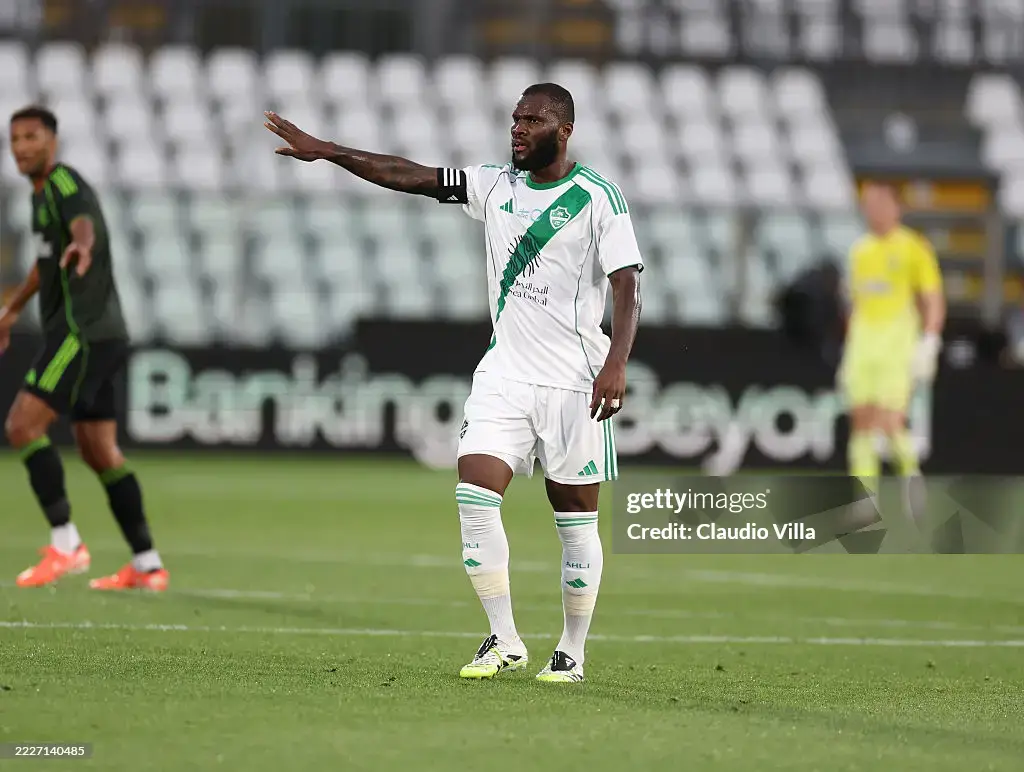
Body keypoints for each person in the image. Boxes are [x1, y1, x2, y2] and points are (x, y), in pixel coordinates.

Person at [265, 83, 643, 683]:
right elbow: (407, 174)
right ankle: (504, 637)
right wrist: (328, 150)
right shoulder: (495, 184)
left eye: (532, 119)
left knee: (575, 523)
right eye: (514, 118)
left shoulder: (599, 198)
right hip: (505, 374)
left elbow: (626, 284)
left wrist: (615, 362)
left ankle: (571, 650)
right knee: (474, 494)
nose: (517, 128)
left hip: (574, 380)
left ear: (563, 129)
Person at [0, 106, 168, 591]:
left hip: (81, 332)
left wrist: (85, 245)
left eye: (31, 137)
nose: (21, 147)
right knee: (100, 451)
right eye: (14, 139)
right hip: (105, 334)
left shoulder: (62, 183)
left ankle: (67, 544)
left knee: (21, 426)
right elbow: (44, 264)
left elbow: (82, 227)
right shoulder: (39, 198)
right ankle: (148, 563)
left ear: (52, 140)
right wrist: (12, 310)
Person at [839, 181, 945, 494]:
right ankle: (864, 502)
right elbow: (856, 306)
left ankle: (911, 477)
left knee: (888, 421)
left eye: (879, 204)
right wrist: (848, 353)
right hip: (862, 348)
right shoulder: (860, 251)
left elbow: (932, 299)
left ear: (896, 207)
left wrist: (930, 341)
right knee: (861, 423)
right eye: (868, 205)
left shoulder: (914, 247)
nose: (874, 211)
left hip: (897, 348)